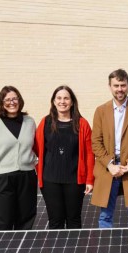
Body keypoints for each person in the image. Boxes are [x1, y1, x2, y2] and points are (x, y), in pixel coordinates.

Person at [91, 69, 128, 228]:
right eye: (116, 85)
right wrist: (110, 165)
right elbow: (96, 142)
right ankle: (106, 251)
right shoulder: (100, 111)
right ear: (110, 87)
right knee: (105, 216)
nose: (119, 89)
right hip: (107, 169)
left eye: (123, 85)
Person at [0, 85, 38, 230]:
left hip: (27, 177)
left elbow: (35, 148)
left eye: (15, 98)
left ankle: (24, 250)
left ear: (20, 100)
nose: (12, 102)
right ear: (2, 102)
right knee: (3, 221)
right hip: (2, 180)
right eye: (7, 99)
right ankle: (5, 252)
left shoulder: (29, 122)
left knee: (26, 219)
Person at [35, 85, 94, 229]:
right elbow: (37, 148)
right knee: (55, 221)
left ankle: (75, 251)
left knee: (74, 220)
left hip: (74, 181)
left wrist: (89, 179)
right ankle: (57, 252)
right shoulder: (45, 122)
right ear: (54, 102)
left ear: (72, 102)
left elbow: (89, 154)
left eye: (66, 98)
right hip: (50, 180)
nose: (62, 101)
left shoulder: (82, 124)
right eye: (59, 98)